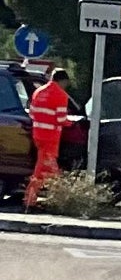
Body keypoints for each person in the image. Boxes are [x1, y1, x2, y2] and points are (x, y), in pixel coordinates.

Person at [24, 68, 70, 210]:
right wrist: (71, 123)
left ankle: (56, 198)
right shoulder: (61, 95)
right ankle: (31, 200)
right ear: (62, 81)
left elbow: (32, 113)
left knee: (46, 168)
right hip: (51, 137)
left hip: (38, 135)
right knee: (46, 169)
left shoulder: (38, 92)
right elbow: (61, 119)